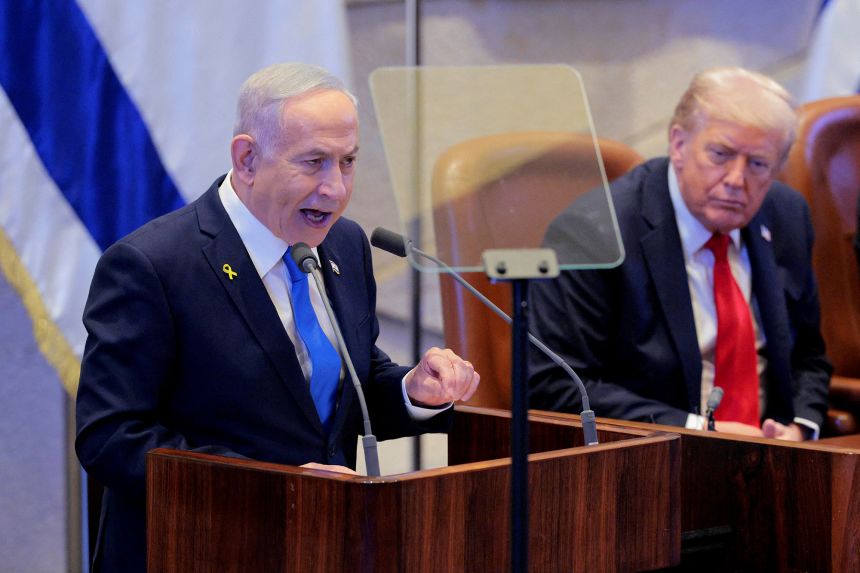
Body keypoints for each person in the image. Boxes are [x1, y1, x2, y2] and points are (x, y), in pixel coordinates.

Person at [75, 63, 480, 573]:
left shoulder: (344, 244)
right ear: (247, 158)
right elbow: (111, 436)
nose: (335, 188)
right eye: (313, 162)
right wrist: (273, 487)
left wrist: (413, 391)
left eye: (348, 162)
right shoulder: (152, 266)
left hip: (323, 548)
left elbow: (346, 384)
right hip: (196, 551)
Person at [529, 67, 831, 441]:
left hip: (779, 458)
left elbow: (808, 356)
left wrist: (800, 427)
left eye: (757, 164)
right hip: (649, 461)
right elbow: (554, 383)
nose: (737, 180)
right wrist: (697, 430)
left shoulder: (787, 215)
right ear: (678, 144)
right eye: (720, 154)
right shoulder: (596, 231)